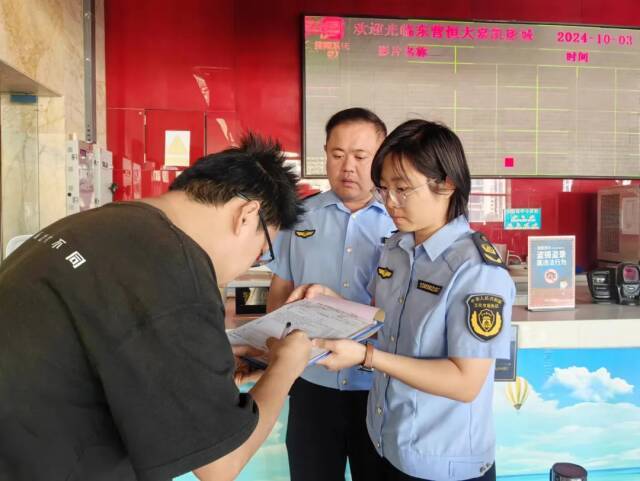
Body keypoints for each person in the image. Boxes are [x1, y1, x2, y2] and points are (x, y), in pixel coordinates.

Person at [0, 134, 313, 481]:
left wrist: (201, 363)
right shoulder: (177, 269)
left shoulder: (100, 222)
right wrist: (286, 365)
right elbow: (221, 464)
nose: (249, 264)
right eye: (260, 251)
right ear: (247, 215)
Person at [290, 120, 515, 481]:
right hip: (388, 446)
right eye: (385, 188)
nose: (390, 202)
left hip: (442, 463)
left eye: (403, 189)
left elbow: (465, 382)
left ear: (447, 184)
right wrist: (334, 302)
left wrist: (366, 357)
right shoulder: (397, 249)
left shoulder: (476, 269)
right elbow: (387, 326)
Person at [267, 108, 396, 481]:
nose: (347, 167)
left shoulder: (402, 220)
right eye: (337, 155)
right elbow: (280, 288)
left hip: (378, 385)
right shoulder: (298, 217)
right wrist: (275, 355)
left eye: (360, 156)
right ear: (324, 154)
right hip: (312, 384)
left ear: (381, 158)